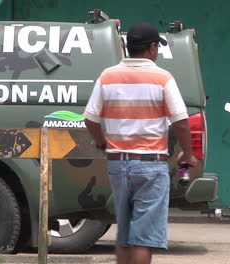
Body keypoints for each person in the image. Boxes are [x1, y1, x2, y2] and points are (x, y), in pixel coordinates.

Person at [84, 23, 198, 264]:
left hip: (117, 165)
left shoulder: (108, 76)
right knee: (143, 238)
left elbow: (91, 119)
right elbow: (180, 121)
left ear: (127, 47)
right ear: (153, 48)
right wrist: (187, 153)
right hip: (150, 166)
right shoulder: (162, 78)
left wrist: (102, 143)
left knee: (124, 234)